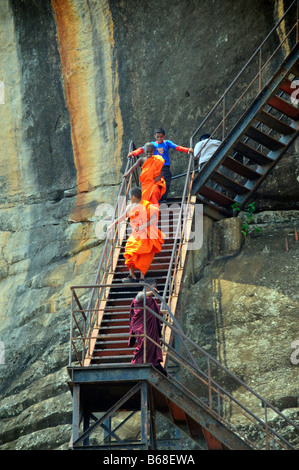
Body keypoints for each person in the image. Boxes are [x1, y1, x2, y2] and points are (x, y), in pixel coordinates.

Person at [107, 187, 165, 282]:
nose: (129, 198)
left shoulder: (147, 205)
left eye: (130, 196)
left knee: (145, 254)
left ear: (133, 197)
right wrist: (113, 224)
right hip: (136, 234)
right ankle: (132, 275)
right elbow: (123, 216)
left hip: (146, 233)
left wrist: (142, 226)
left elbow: (154, 219)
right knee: (129, 250)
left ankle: (142, 277)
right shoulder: (130, 207)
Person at [128, 128, 193, 202]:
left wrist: (187, 150)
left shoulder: (167, 143)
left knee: (166, 181)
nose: (159, 138)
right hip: (155, 168)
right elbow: (142, 149)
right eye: (157, 137)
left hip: (165, 166)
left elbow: (177, 147)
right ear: (154, 136)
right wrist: (133, 153)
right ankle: (155, 198)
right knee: (155, 183)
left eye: (161, 137)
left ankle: (163, 198)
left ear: (164, 136)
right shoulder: (152, 144)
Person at [128, 278, 167, 376]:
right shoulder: (140, 295)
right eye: (153, 288)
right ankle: (135, 364)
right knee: (144, 344)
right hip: (141, 326)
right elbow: (140, 296)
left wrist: (161, 312)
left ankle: (153, 363)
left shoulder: (151, 300)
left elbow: (152, 311)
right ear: (147, 287)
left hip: (149, 326)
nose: (155, 289)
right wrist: (151, 292)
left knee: (151, 344)